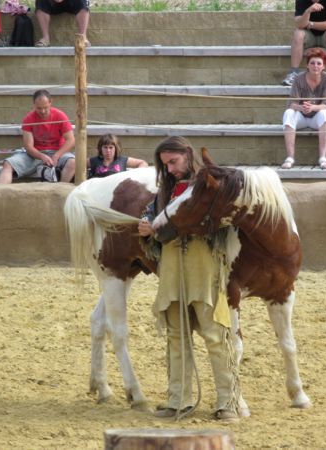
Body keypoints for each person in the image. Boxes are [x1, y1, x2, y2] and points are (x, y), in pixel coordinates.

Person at [137, 136, 240, 422]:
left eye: (173, 162)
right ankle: (177, 401)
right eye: (164, 164)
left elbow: (220, 222)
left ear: (187, 155)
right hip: (172, 269)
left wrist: (161, 229)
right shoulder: (164, 191)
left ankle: (228, 402)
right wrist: (146, 224)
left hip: (204, 267)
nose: (169, 169)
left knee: (216, 335)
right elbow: (152, 214)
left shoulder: (209, 186)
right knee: (175, 336)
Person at [0, 89, 75, 183]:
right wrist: (42, 156)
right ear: (34, 104)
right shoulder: (29, 118)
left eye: (45, 107)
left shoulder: (60, 116)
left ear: (50, 102)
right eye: (39, 108)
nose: (42, 111)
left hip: (57, 152)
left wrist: (56, 155)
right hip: (35, 155)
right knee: (7, 164)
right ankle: (0, 193)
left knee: (73, 163)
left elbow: (71, 140)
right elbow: (28, 146)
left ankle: (60, 190)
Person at [281, 48, 326, 169]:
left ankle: (323, 158)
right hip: (301, 116)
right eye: (312, 63)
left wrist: (313, 107)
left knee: (325, 114)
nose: (315, 66)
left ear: (324, 66)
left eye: (319, 63)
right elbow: (291, 103)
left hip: (317, 118)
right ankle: (289, 157)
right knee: (288, 113)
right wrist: (302, 107)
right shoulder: (299, 78)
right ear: (307, 65)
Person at [282, 0, 326, 87]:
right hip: (309, 36)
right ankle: (293, 73)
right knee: (298, 33)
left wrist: (311, 24)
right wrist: (308, 11)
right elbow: (299, 25)